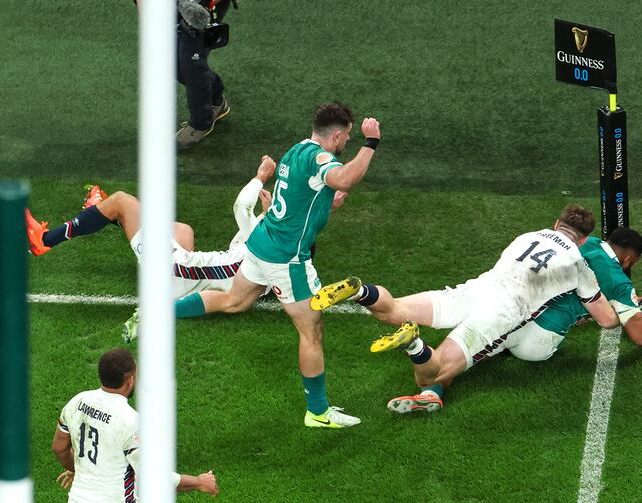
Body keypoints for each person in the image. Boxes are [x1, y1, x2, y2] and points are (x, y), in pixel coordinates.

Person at [168, 102, 382, 428]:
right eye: (348, 136)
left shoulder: (297, 150)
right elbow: (345, 179)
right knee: (312, 332)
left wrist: (328, 201)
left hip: (260, 245)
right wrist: (371, 143)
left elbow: (303, 201)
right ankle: (318, 412)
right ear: (336, 135)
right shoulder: (320, 158)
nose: (348, 141)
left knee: (233, 301)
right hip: (288, 260)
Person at [312, 204, 622, 412]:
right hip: (501, 313)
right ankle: (414, 344)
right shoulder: (579, 265)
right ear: (583, 241)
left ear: (556, 224)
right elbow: (606, 320)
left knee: (393, 310)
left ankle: (360, 291)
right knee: (432, 373)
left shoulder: (528, 235)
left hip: (473, 290)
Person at [378, 227, 642, 414]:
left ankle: (432, 390)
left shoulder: (580, 245)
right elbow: (640, 338)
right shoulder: (619, 283)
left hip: (511, 311)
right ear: (629, 260)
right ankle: (427, 379)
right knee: (481, 344)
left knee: (469, 344)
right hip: (536, 342)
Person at [25, 156, 275, 340]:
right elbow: (245, 235)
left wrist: (260, 176)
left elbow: (241, 208)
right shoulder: (265, 264)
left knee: (123, 201)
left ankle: (44, 241)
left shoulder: (266, 245)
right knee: (182, 231)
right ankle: (105, 213)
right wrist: (265, 214)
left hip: (174, 270)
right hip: (187, 277)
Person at [51, 348, 219, 501]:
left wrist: (83, 471)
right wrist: (199, 482)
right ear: (130, 380)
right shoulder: (132, 422)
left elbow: (59, 448)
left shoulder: (77, 402)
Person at [175, 0, 235, 150]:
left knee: (191, 65)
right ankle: (215, 96)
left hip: (202, 6)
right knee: (173, 64)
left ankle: (201, 122)